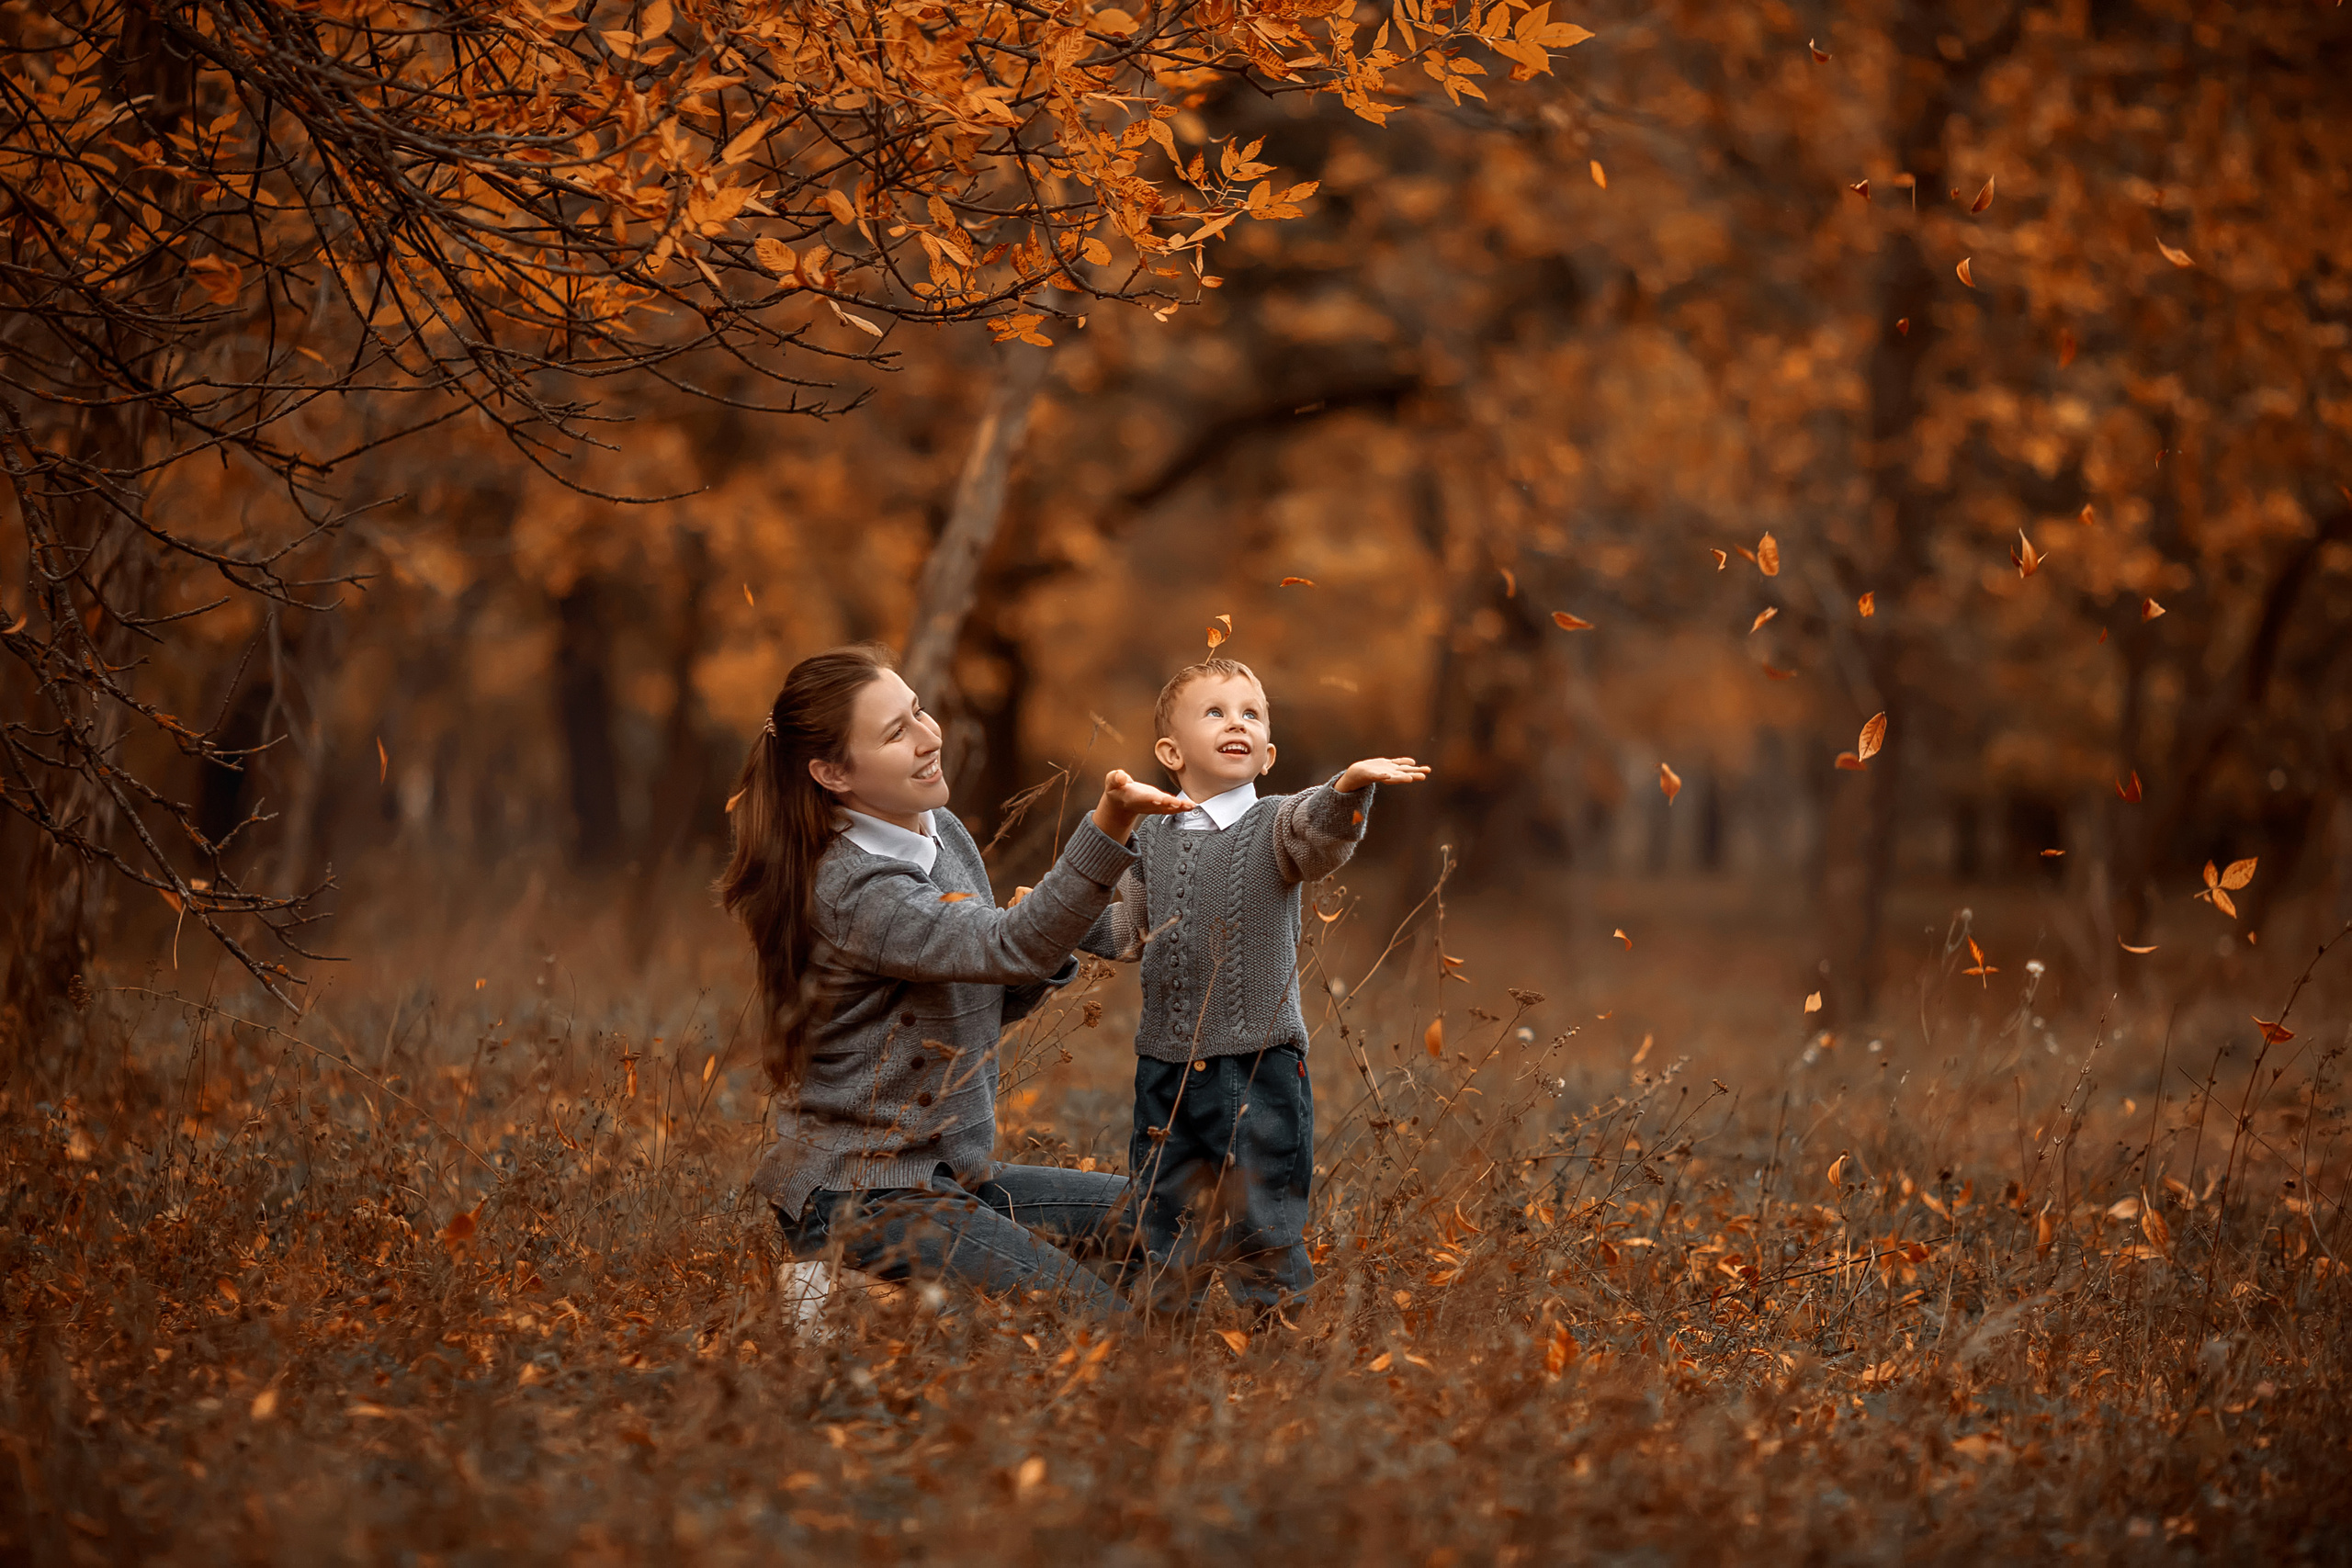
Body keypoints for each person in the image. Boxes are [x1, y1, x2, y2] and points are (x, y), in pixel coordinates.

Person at [718, 643, 1191, 1318]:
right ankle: (842, 1294)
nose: (928, 737)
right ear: (832, 772)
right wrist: (1109, 825)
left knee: (1181, 1225)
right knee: (1098, 1329)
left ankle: (901, 1300)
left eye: (918, 711)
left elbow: (985, 989)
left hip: (953, 1176)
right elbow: (1009, 945)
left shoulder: (939, 831)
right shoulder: (853, 888)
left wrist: (1042, 942)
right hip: (862, 1194)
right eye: (895, 732)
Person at [1081, 656, 1429, 1320]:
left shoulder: (1274, 823)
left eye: (1250, 714)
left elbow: (1320, 836)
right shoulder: (1150, 836)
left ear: (1267, 754)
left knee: (1260, 1224)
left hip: (1256, 1064)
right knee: (1163, 1217)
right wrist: (1060, 916)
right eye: (1215, 712)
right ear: (1171, 752)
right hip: (1165, 1068)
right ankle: (1159, 1350)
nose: (1235, 723)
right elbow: (1128, 931)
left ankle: (1280, 1347)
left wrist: (1348, 787)